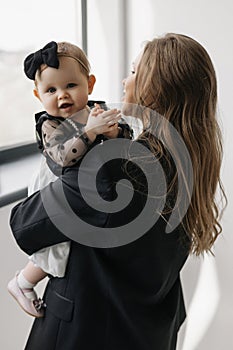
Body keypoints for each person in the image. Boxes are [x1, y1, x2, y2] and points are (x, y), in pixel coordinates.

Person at [9, 33, 226, 350]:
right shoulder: (191, 161)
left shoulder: (116, 169)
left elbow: (25, 223)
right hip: (148, 332)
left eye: (135, 72)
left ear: (157, 89)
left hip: (85, 332)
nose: (125, 82)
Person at [7, 41, 133, 318]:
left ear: (90, 83)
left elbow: (126, 138)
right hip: (55, 184)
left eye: (71, 86)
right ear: (38, 96)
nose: (62, 95)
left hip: (90, 189)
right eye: (51, 90)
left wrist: (113, 133)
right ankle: (23, 282)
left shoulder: (96, 110)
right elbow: (62, 156)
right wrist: (89, 133)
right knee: (57, 245)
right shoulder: (49, 124)